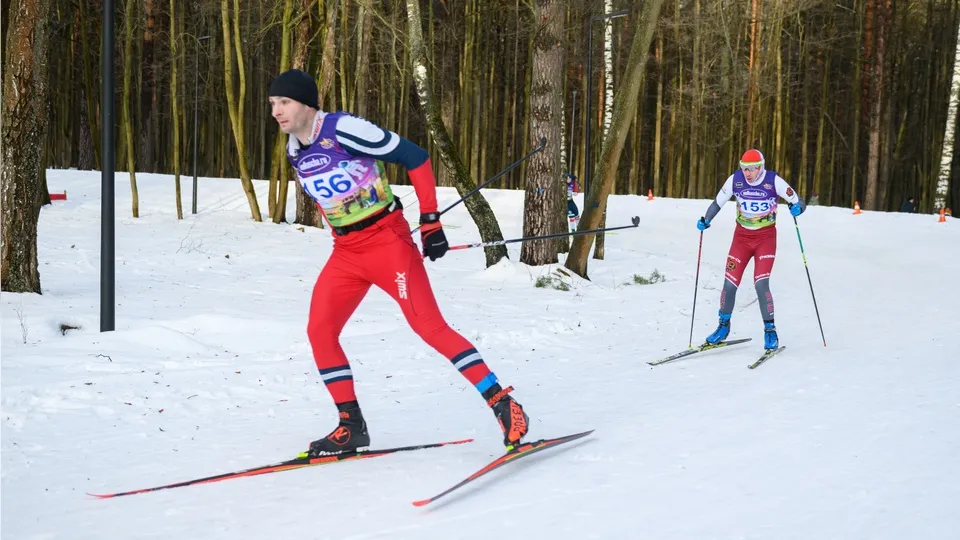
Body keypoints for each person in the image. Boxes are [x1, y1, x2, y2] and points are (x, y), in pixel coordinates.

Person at [267, 69, 529, 456]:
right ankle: (350, 426)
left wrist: (430, 221)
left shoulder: (344, 129)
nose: (276, 111)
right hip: (346, 253)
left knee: (429, 327)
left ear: (307, 103)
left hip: (387, 245)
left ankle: (503, 403)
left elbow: (416, 157)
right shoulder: (294, 147)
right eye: (272, 104)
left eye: (284, 102)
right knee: (320, 330)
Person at [695, 149, 806, 350]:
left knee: (761, 284)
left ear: (761, 167)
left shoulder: (774, 181)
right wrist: (706, 219)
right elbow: (717, 203)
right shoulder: (735, 180)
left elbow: (797, 200)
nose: (748, 173)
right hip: (741, 239)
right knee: (729, 285)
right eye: (744, 168)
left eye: (752, 169)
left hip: (765, 238)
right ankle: (723, 326)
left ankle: (770, 331)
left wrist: (798, 207)